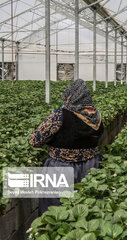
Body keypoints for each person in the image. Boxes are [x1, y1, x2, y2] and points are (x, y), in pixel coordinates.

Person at [30, 79, 104, 214]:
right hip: (90, 166)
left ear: (71, 97)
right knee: (83, 208)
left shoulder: (61, 115)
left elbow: (35, 140)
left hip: (61, 167)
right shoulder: (97, 115)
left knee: (55, 210)